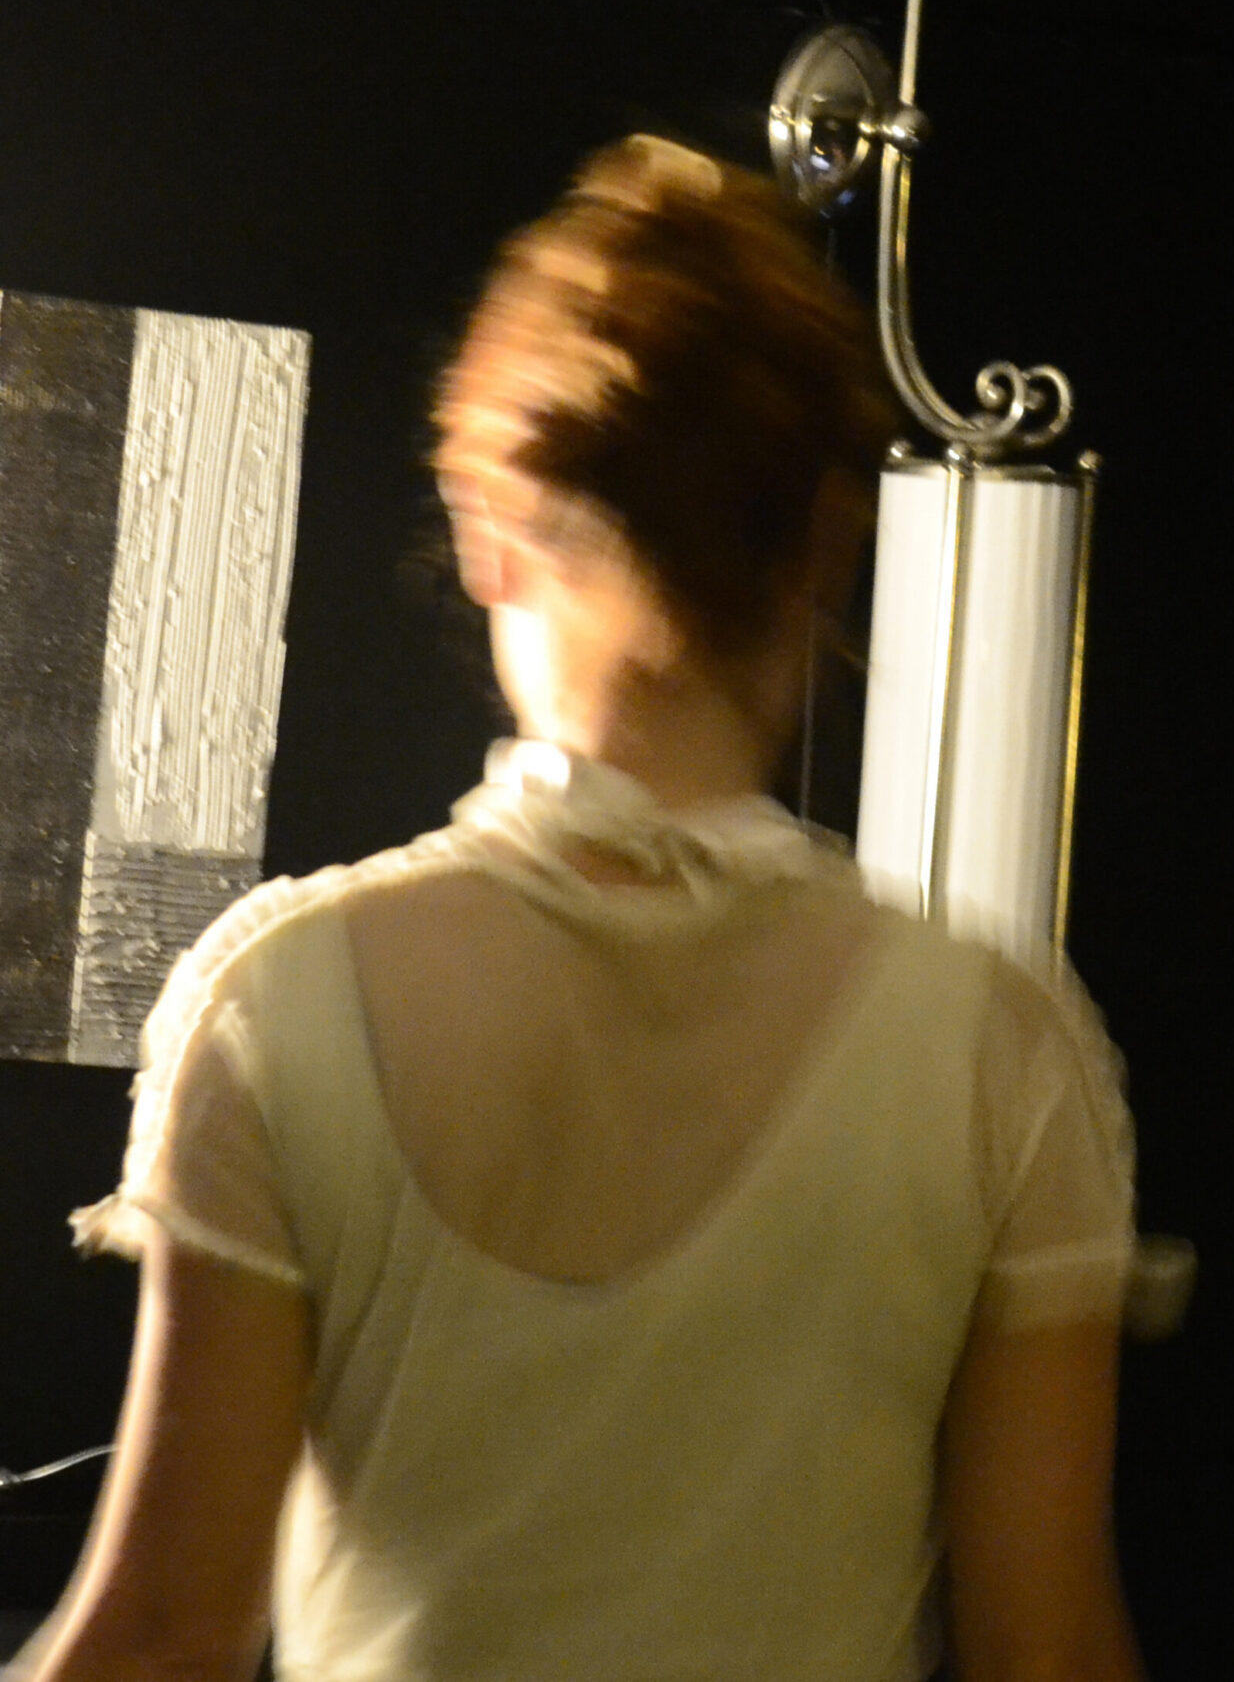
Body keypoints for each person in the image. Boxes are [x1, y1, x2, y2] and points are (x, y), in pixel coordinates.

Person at [14, 136, 1146, 1682]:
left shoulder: (284, 999)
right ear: (826, 541)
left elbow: (159, 1641)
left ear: (485, 521)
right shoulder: (1001, 1050)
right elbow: (1048, 1653)